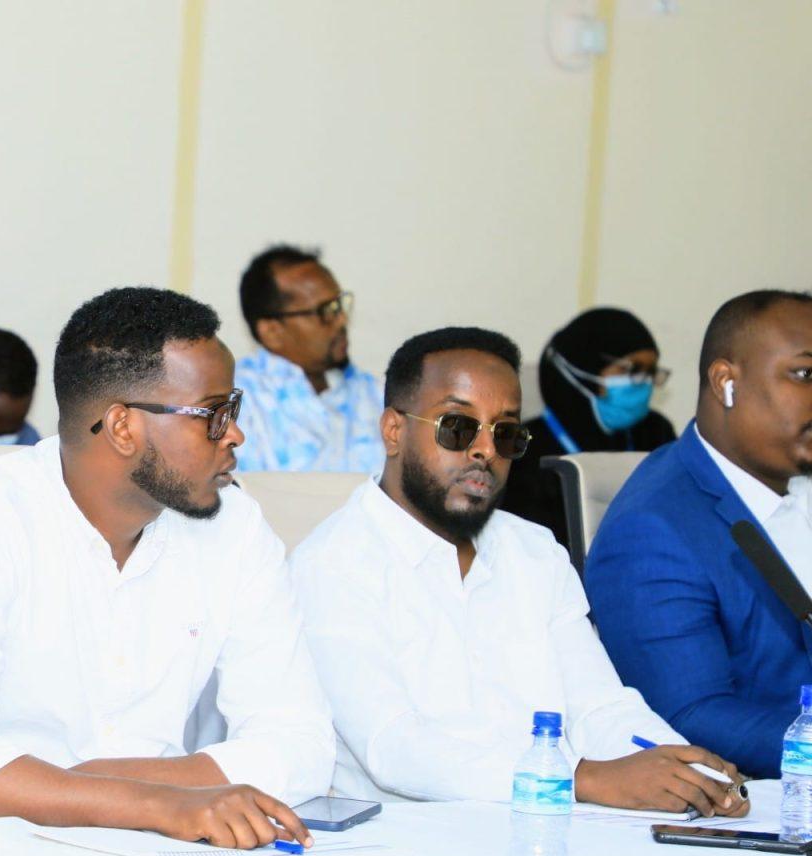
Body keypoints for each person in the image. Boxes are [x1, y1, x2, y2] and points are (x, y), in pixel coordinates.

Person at [0, 286, 335, 849]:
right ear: (122, 428)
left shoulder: (234, 525)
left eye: (232, 410)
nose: (235, 434)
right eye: (214, 414)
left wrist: (102, 788)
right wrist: (156, 803)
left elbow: (301, 742)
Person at [289, 327, 746, 816]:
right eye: (457, 426)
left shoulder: (534, 551)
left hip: (558, 825)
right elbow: (393, 749)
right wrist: (579, 779)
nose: (485, 450)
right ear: (394, 431)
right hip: (409, 839)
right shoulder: (331, 564)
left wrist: (685, 769)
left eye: (505, 433)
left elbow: (600, 706)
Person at [586, 290, 812, 780]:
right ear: (726, 382)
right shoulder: (651, 529)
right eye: (804, 375)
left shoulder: (798, 482)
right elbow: (690, 715)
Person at [502, 308, 677, 546]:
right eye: (632, 370)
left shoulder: (656, 433)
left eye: (651, 372)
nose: (644, 383)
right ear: (585, 367)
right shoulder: (523, 448)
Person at [233, 245, 383, 473]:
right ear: (272, 332)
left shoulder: (375, 394)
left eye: (339, 305)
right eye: (325, 311)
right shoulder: (237, 401)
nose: (342, 320)